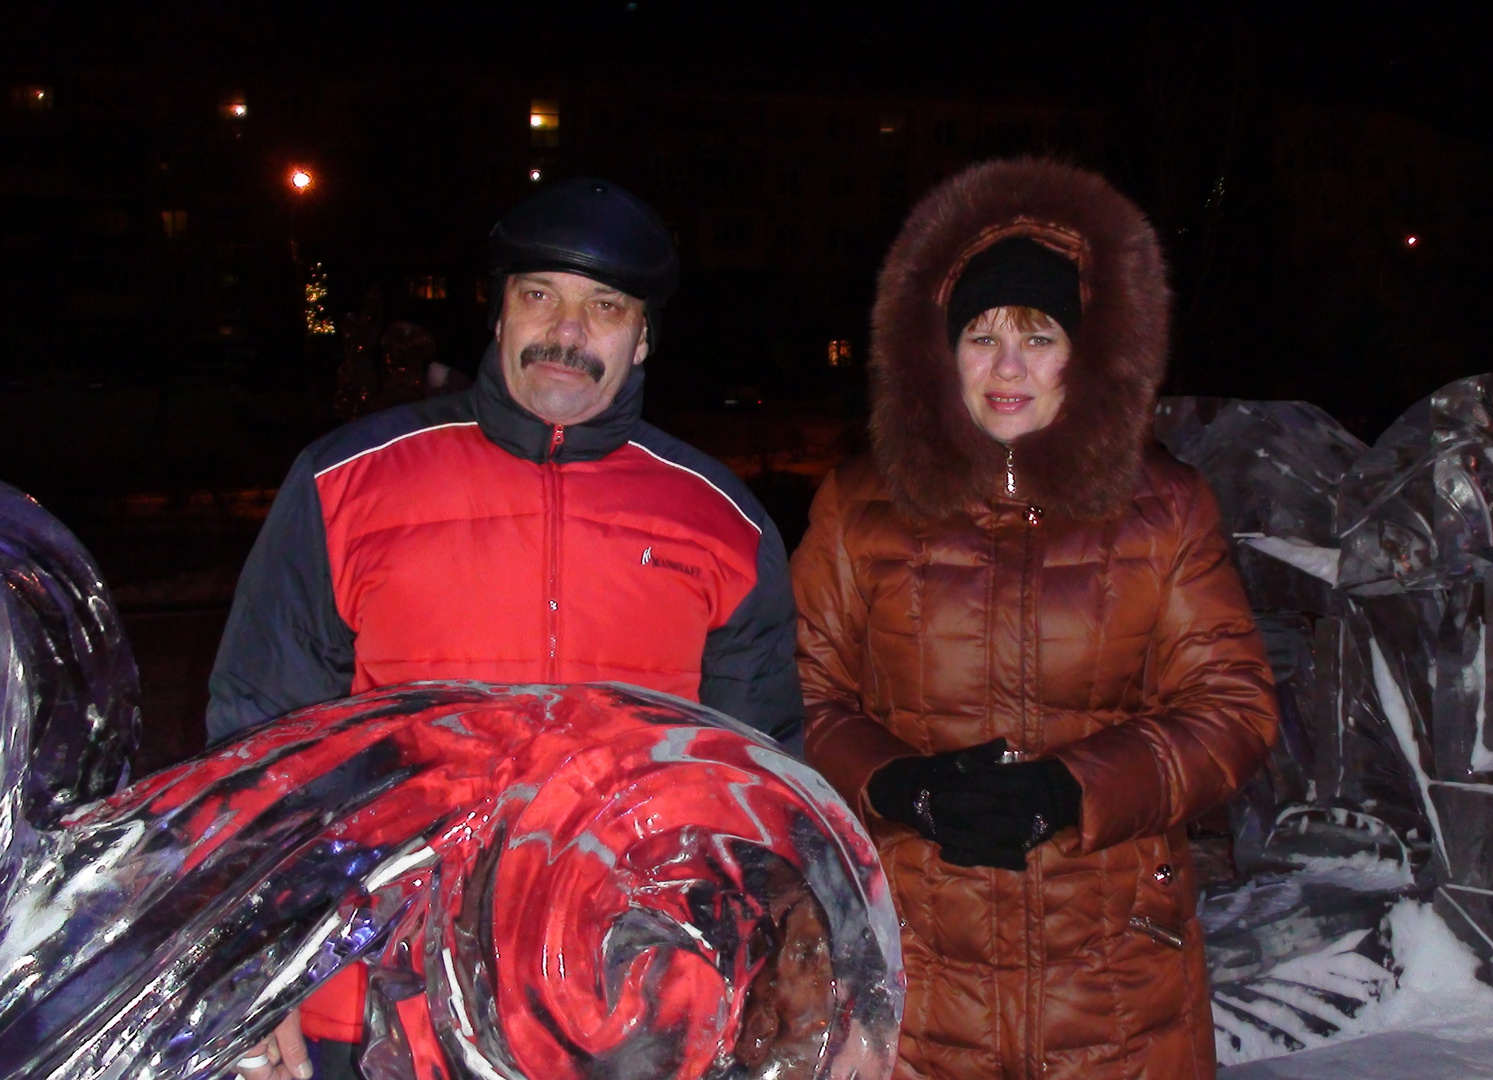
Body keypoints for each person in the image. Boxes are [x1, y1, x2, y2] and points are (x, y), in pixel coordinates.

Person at [208, 178, 803, 1079]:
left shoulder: (720, 523)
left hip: (619, 1007)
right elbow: (260, 747)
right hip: (375, 1004)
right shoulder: (348, 484)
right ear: (498, 316)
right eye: (540, 296)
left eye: (604, 307)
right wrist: (256, 973)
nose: (567, 333)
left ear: (643, 337)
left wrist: (758, 982)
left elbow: (754, 793)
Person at [791, 159, 1278, 1080]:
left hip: (1117, 988)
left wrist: (1071, 791)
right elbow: (803, 703)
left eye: (1038, 335)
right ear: (940, 355)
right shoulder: (858, 509)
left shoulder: (1166, 509)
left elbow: (1234, 710)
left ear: (1084, 355)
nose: (1007, 366)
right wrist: (901, 787)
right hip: (916, 977)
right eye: (981, 335)